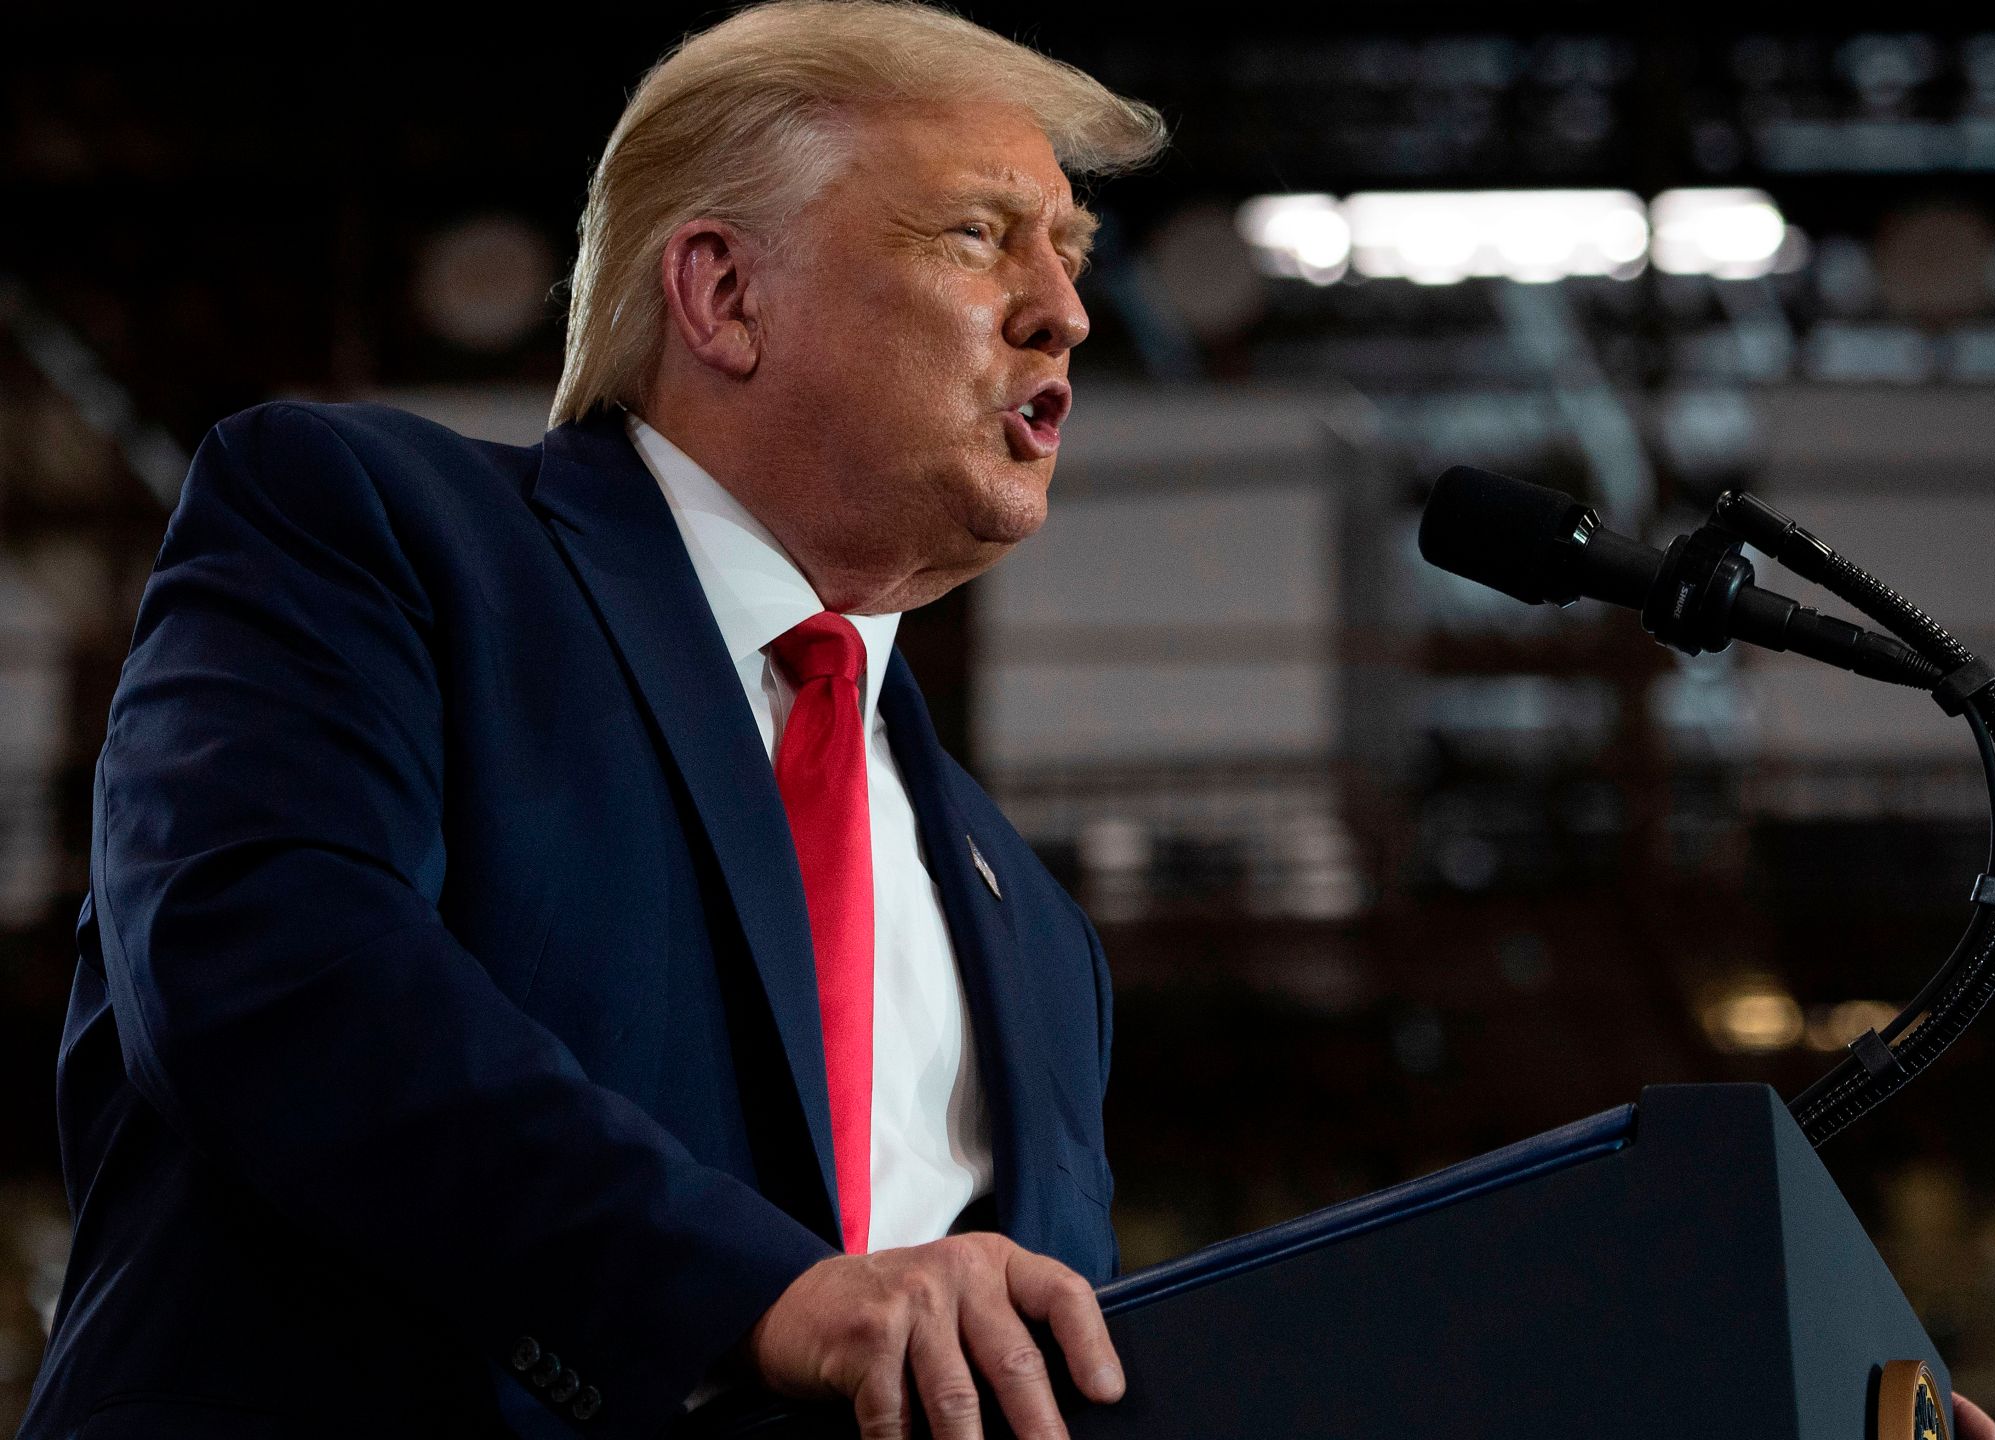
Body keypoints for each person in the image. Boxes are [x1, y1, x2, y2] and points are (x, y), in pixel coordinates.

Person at [22, 4, 1160, 1437]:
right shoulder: (370, 530)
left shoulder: (1046, 941)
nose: (1065, 308)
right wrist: (748, 1290)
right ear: (723, 295)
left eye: (1072, 252)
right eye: (981, 236)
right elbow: (269, 962)